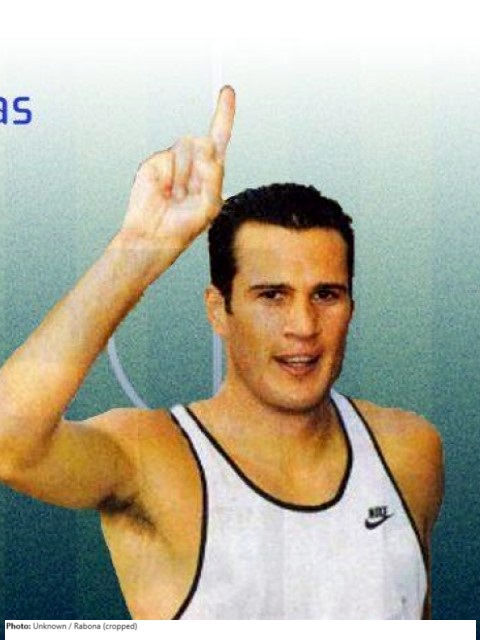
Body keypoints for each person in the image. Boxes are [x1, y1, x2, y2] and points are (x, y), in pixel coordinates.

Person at [0, 86, 443, 620]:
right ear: (218, 310)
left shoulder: (409, 451)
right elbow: (8, 442)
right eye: (272, 296)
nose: (303, 326)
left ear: (351, 304)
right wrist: (139, 247)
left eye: (326, 295)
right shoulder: (152, 460)